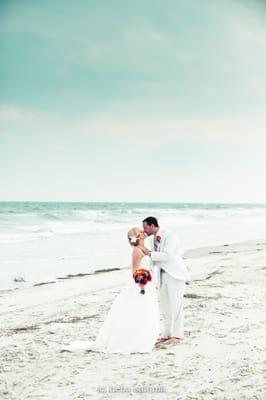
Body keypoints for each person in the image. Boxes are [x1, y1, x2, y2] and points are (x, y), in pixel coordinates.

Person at [61, 227, 160, 354]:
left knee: (146, 311)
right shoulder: (136, 251)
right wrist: (142, 283)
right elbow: (135, 271)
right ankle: (132, 340)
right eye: (140, 232)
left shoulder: (144, 249)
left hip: (149, 283)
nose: (143, 233)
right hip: (141, 283)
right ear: (137, 237)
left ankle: (143, 338)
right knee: (137, 311)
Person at [141, 216, 190, 346]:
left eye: (145, 227)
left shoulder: (169, 235)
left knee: (176, 306)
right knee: (164, 306)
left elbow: (168, 256)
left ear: (152, 226)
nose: (144, 230)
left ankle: (177, 335)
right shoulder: (151, 240)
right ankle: (166, 334)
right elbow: (155, 259)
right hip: (162, 275)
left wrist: (149, 253)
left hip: (175, 274)